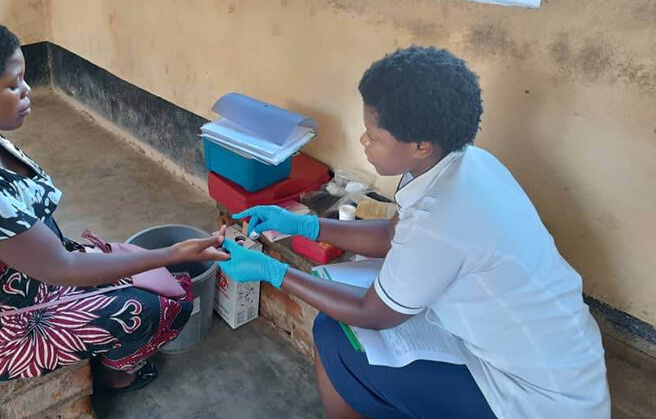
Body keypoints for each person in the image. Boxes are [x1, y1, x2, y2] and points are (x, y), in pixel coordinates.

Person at [220, 47, 610, 419]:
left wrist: (273, 272)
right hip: (561, 360)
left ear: (421, 145)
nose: (363, 141)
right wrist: (305, 223)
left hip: (530, 400)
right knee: (347, 325)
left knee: (336, 338)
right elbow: (394, 233)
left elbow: (370, 312)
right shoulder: (466, 162)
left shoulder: (442, 218)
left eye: (374, 135)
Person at [0, 17, 229, 389]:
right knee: (162, 306)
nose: (28, 91)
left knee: (136, 270)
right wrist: (172, 253)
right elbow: (63, 267)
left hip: (5, 277)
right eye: (13, 85)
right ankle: (116, 378)